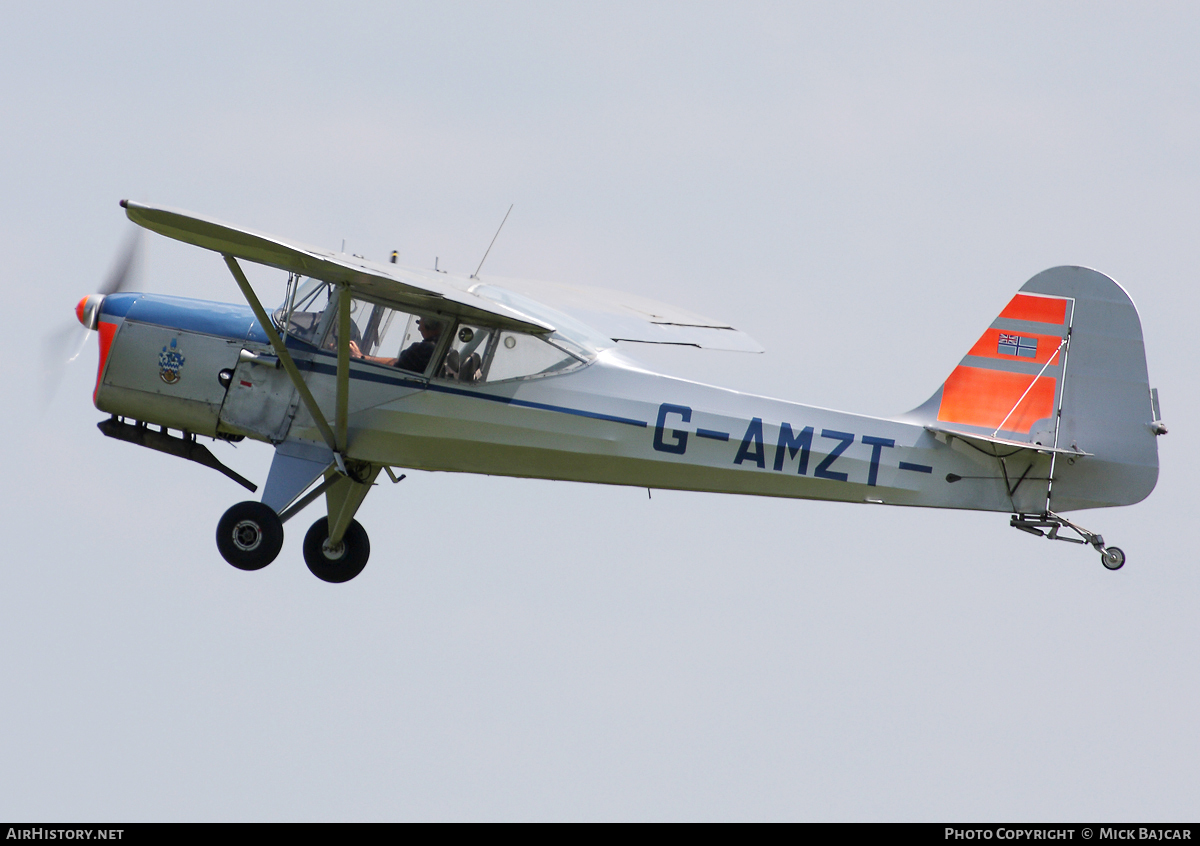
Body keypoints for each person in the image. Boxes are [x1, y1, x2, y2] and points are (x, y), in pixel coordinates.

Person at [349, 317, 442, 373]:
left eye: (420, 322)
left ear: (429, 325)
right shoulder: (441, 349)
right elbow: (398, 361)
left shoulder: (423, 349)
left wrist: (361, 357)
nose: (419, 328)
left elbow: (397, 365)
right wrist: (363, 357)